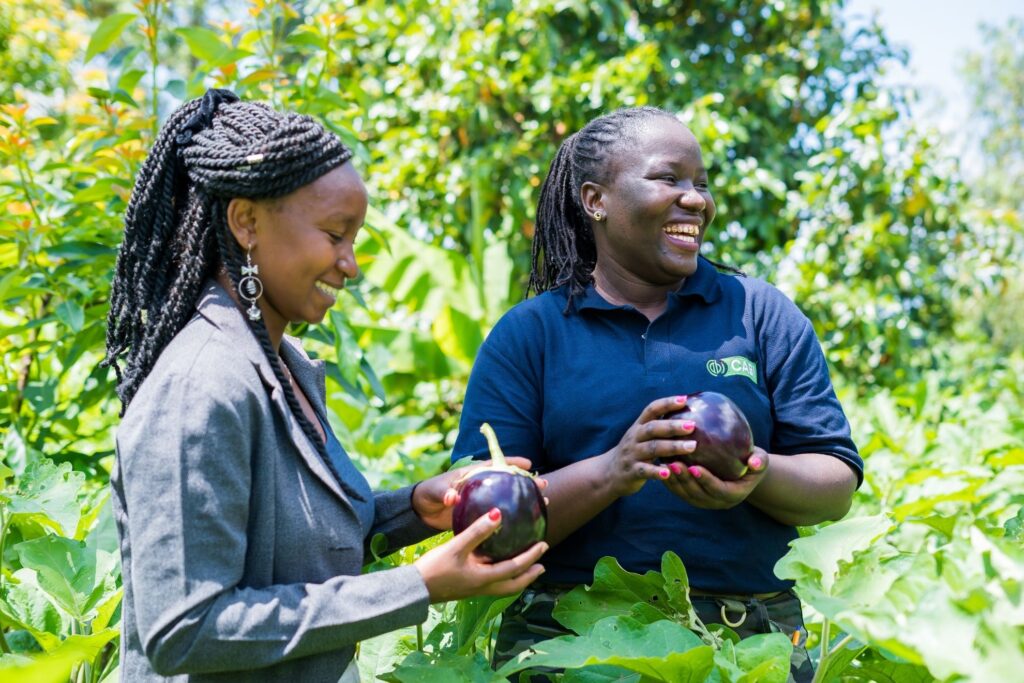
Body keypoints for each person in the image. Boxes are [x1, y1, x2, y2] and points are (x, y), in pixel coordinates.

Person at [102, 89, 548, 683]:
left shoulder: (282, 366)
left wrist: (413, 509)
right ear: (246, 222)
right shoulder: (201, 384)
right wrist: (415, 587)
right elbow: (184, 629)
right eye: (335, 235)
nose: (352, 264)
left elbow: (296, 551)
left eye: (354, 239)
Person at [451, 106, 862, 682]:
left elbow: (835, 482)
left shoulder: (761, 313)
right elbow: (484, 523)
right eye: (669, 179)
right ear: (596, 200)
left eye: (701, 184)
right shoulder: (531, 335)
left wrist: (755, 475)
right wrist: (614, 471)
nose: (696, 199)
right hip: (571, 641)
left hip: (751, 636)